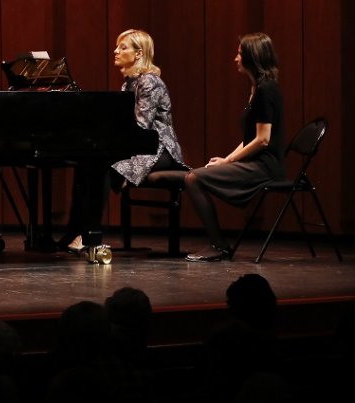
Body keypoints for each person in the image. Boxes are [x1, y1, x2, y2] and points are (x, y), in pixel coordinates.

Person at [60, 29, 187, 252]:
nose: (116, 51)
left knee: (103, 167)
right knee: (86, 165)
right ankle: (74, 232)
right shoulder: (130, 82)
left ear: (138, 54)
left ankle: (92, 236)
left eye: (123, 47)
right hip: (139, 145)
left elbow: (142, 126)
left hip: (159, 149)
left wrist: (111, 144)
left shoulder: (150, 82)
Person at [184, 32, 285, 262]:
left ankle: (218, 245)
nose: (235, 58)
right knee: (196, 176)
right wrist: (227, 158)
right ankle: (218, 244)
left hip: (265, 167)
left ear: (252, 56)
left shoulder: (266, 90)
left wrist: (230, 161)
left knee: (193, 178)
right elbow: (250, 137)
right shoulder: (256, 88)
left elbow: (263, 139)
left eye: (239, 54)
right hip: (257, 163)